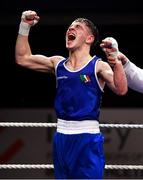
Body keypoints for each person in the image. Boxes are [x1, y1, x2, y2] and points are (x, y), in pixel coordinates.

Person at [15, 10, 127, 179]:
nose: (70, 29)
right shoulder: (57, 63)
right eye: (70, 26)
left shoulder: (98, 66)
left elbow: (121, 89)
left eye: (78, 27)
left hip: (87, 138)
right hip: (61, 137)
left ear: (89, 39)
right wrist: (24, 26)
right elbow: (22, 58)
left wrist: (116, 60)